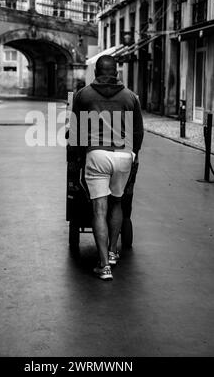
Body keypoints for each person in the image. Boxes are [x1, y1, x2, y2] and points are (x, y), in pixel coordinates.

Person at [70, 55, 144, 281]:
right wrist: (134, 156)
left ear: (96, 73)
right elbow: (137, 132)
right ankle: (113, 252)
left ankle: (104, 266)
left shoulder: (83, 95)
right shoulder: (130, 97)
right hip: (123, 155)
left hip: (97, 154)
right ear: (116, 73)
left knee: (99, 210)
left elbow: (77, 131)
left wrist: (77, 158)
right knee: (118, 202)